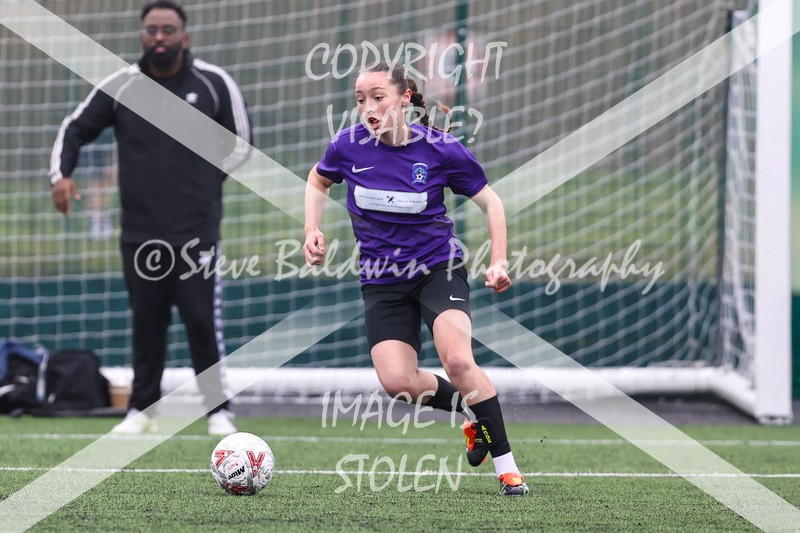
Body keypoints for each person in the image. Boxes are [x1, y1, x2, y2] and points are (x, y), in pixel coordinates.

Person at [303, 61, 529, 496]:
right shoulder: (348, 146)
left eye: (378, 97)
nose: (368, 108)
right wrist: (312, 229)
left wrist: (498, 261)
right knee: (397, 383)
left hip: (436, 269)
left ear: (404, 97)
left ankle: (508, 469)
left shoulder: (441, 149)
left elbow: (492, 203)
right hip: (382, 280)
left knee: (459, 361)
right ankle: (471, 414)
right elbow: (318, 178)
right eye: (360, 100)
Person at [49, 0, 252, 436]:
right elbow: (75, 127)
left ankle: (218, 410)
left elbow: (241, 143)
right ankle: (141, 408)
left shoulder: (213, 83)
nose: (159, 38)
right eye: (151, 30)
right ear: (142, 36)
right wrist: (60, 175)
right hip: (140, 233)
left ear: (185, 36)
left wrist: (201, 183)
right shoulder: (123, 86)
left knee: (201, 320)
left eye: (168, 30)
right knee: (147, 321)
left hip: (197, 232)